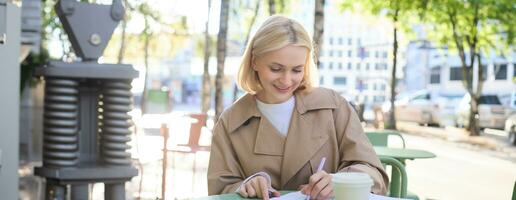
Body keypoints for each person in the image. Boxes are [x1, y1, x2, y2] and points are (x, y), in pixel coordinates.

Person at [207, 15, 388, 199]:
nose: (286, 80)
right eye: (276, 69)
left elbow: (373, 173)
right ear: (254, 62)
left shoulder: (333, 107)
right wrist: (244, 186)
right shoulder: (230, 122)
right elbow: (219, 189)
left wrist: (340, 181)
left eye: (297, 70)